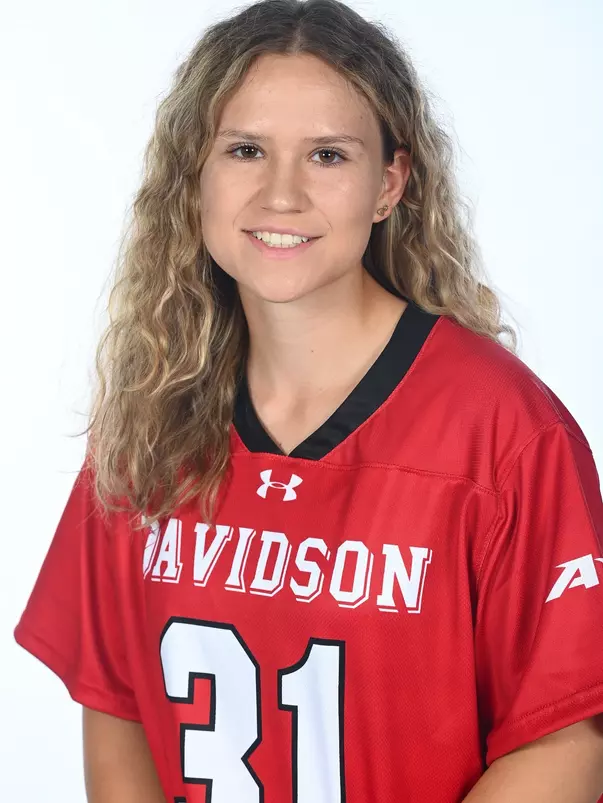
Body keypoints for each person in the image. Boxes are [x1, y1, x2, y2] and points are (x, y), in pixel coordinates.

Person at [13, 0, 603, 801]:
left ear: (388, 183)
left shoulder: (502, 434)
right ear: (196, 172)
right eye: (246, 149)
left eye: (327, 155)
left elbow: (566, 737)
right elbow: (114, 702)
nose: (281, 193)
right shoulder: (151, 420)